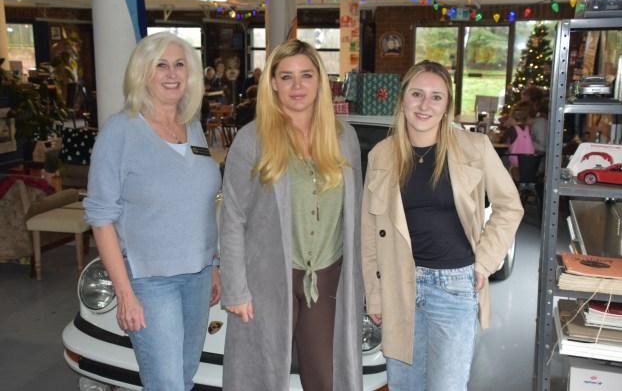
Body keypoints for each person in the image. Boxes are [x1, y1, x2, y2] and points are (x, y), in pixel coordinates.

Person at [361, 60, 523, 391]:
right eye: (417, 94)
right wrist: (375, 296)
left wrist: (484, 262)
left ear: (447, 104)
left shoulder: (473, 148)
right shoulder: (381, 155)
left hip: (454, 287)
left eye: (436, 97)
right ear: (403, 98)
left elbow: (510, 206)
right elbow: (370, 232)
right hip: (398, 286)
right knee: (404, 386)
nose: (425, 105)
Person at [219, 39, 364, 391]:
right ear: (273, 83)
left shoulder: (345, 138)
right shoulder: (251, 140)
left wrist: (363, 283)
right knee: (262, 376)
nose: (297, 86)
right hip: (268, 278)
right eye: (286, 77)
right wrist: (235, 289)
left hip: (327, 278)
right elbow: (233, 217)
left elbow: (357, 217)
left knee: (327, 377)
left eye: (306, 75)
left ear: (320, 80)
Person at [84, 32, 222, 391]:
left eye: (179, 65)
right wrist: (125, 293)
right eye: (161, 65)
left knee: (185, 374)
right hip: (150, 281)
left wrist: (214, 264)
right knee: (166, 384)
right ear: (142, 73)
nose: (172, 74)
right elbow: (101, 218)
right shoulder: (120, 131)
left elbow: (202, 204)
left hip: (198, 275)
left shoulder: (192, 126)